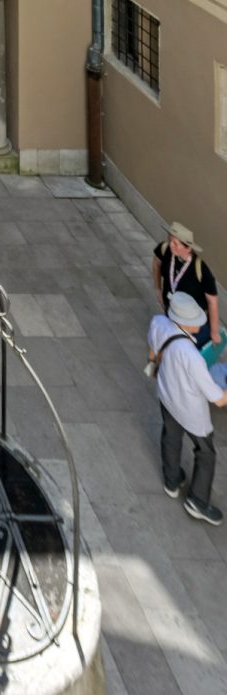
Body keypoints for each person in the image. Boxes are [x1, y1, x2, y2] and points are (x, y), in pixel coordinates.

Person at [147, 291, 227, 526]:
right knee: (206, 453)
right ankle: (197, 502)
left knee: (170, 436)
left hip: (166, 396)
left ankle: (171, 481)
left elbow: (153, 349)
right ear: (186, 323)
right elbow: (218, 399)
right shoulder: (192, 357)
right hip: (191, 411)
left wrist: (152, 366)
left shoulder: (159, 323)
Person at [152, 221, 220, 350]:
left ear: (188, 248)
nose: (171, 246)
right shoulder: (164, 249)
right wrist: (157, 289)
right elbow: (156, 263)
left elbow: (212, 301)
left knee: (189, 354)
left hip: (194, 323)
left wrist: (214, 332)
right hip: (173, 313)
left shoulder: (201, 270)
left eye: (175, 244)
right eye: (170, 240)